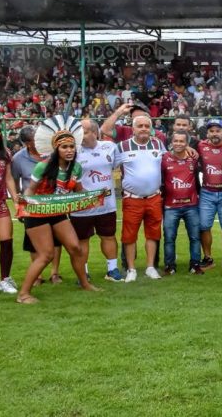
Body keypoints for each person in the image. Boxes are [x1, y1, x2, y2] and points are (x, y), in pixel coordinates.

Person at [16, 117, 100, 304]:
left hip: (58, 212)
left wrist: (95, 197)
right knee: (46, 254)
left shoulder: (75, 168)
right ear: (56, 149)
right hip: (37, 213)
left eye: (71, 147)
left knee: (75, 248)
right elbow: (30, 189)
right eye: (64, 147)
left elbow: (79, 190)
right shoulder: (43, 167)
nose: (69, 150)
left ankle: (85, 284)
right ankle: (23, 294)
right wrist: (24, 203)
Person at [70, 120, 124, 282]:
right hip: (81, 206)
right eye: (78, 132)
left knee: (108, 236)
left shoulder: (110, 147)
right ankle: (83, 273)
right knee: (82, 240)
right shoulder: (72, 151)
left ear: (94, 132)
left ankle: (112, 270)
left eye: (84, 132)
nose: (80, 135)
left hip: (106, 205)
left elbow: (118, 167)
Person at [115, 114, 166, 282]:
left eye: (147, 126)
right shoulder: (122, 146)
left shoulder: (158, 144)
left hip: (154, 197)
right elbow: (109, 165)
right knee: (129, 235)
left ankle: (151, 267)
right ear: (133, 129)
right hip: (132, 199)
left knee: (153, 233)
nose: (144, 129)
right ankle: (131, 269)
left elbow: (169, 160)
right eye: (140, 126)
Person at [12, 125, 62, 284]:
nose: (41, 140)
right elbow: (14, 180)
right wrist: (18, 201)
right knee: (34, 242)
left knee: (56, 239)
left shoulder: (52, 153)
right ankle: (37, 276)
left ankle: (55, 273)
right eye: (36, 139)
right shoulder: (18, 159)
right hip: (32, 205)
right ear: (28, 143)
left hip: (54, 201)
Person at [161, 131, 203, 275]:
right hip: (170, 206)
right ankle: (170, 265)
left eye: (181, 141)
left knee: (195, 237)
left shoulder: (193, 158)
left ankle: (195, 264)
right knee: (169, 238)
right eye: (176, 141)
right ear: (171, 142)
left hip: (191, 205)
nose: (178, 144)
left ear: (187, 143)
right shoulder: (164, 158)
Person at [197, 119, 222, 270]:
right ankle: (208, 257)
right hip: (207, 192)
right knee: (204, 226)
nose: (215, 134)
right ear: (207, 133)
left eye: (218, 130)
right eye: (211, 131)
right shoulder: (200, 146)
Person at [0, 127, 19, 294]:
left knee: (6, 241)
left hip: (0, 203)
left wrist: (16, 199)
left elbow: (9, 177)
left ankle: (5, 279)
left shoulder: (4, 152)